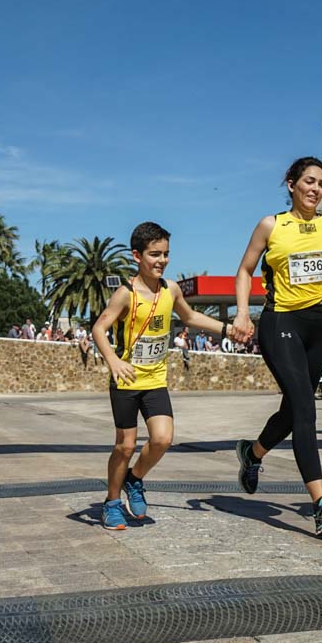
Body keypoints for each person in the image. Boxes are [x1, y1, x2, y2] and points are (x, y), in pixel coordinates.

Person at [230, 157, 322, 538]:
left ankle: (253, 453)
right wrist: (242, 313)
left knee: (294, 409)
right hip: (280, 322)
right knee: (306, 409)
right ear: (291, 184)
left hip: (317, 325)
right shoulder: (271, 225)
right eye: (309, 181)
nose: (316, 189)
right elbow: (244, 270)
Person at [91, 221, 231, 530]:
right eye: (155, 254)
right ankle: (111, 502)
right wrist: (113, 361)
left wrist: (227, 329)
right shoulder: (126, 294)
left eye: (166, 254)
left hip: (155, 380)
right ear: (137, 256)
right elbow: (99, 328)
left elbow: (190, 316)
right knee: (125, 446)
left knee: (163, 439)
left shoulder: (171, 289)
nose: (162, 260)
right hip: (127, 381)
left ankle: (134, 478)